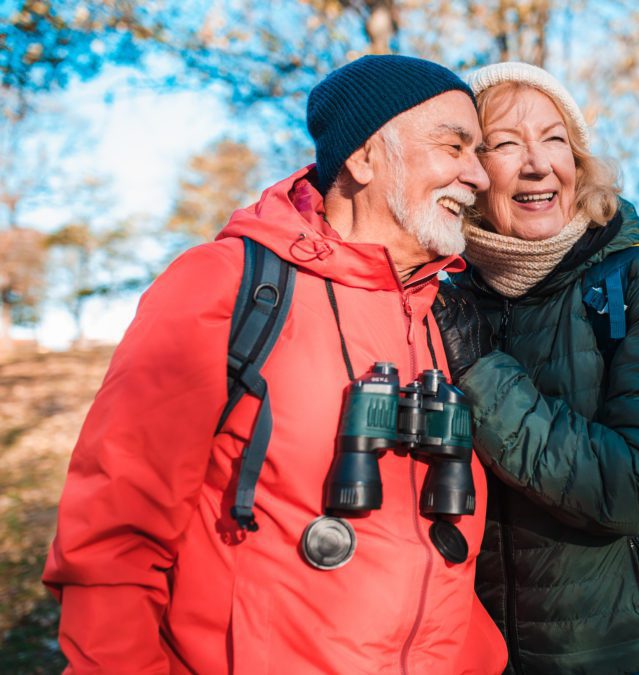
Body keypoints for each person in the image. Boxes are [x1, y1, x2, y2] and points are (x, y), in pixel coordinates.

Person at [43, 55, 507, 674]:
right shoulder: (224, 286)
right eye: (454, 146)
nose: (477, 175)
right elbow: (112, 541)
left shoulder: (446, 314)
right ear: (365, 159)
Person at [431, 62, 639, 674]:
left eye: (555, 139)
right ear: (470, 173)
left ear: (579, 161)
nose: (538, 164)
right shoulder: (448, 299)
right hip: (486, 660)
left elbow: (637, 486)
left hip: (634, 660)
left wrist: (481, 370)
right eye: (505, 143)